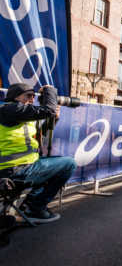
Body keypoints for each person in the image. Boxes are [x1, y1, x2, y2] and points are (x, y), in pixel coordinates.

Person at [0, 83, 77, 223]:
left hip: (19, 166)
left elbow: (40, 137)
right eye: (28, 96)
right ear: (15, 96)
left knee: (56, 162)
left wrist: (54, 118)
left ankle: (29, 204)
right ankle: (36, 209)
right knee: (69, 164)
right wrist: (49, 90)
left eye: (34, 96)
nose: (32, 100)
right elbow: (48, 110)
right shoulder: (9, 109)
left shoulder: (15, 113)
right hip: (12, 171)